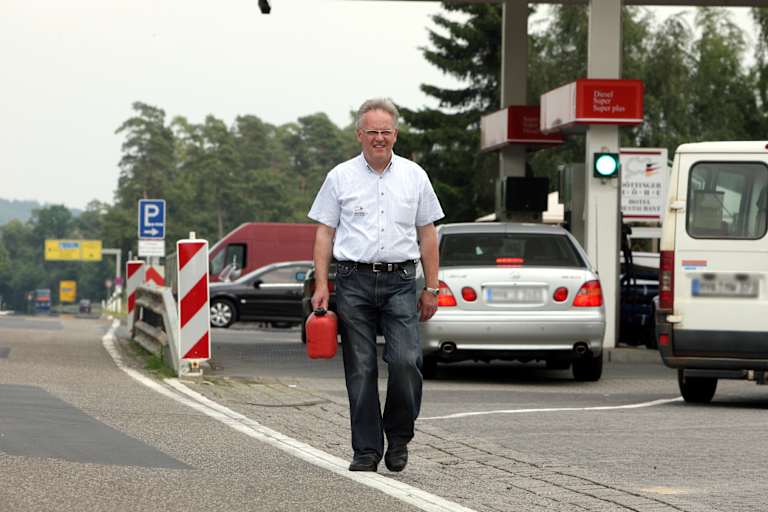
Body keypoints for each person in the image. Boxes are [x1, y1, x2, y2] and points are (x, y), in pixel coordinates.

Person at [308, 98, 444, 472]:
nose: (379, 138)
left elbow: (428, 234)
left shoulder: (415, 176)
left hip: (401, 281)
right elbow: (325, 232)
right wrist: (322, 283)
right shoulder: (340, 177)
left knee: (405, 362)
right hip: (353, 280)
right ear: (360, 135)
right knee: (361, 368)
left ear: (395, 134)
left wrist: (431, 287)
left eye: (386, 132)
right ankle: (366, 450)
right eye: (372, 132)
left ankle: (398, 438)